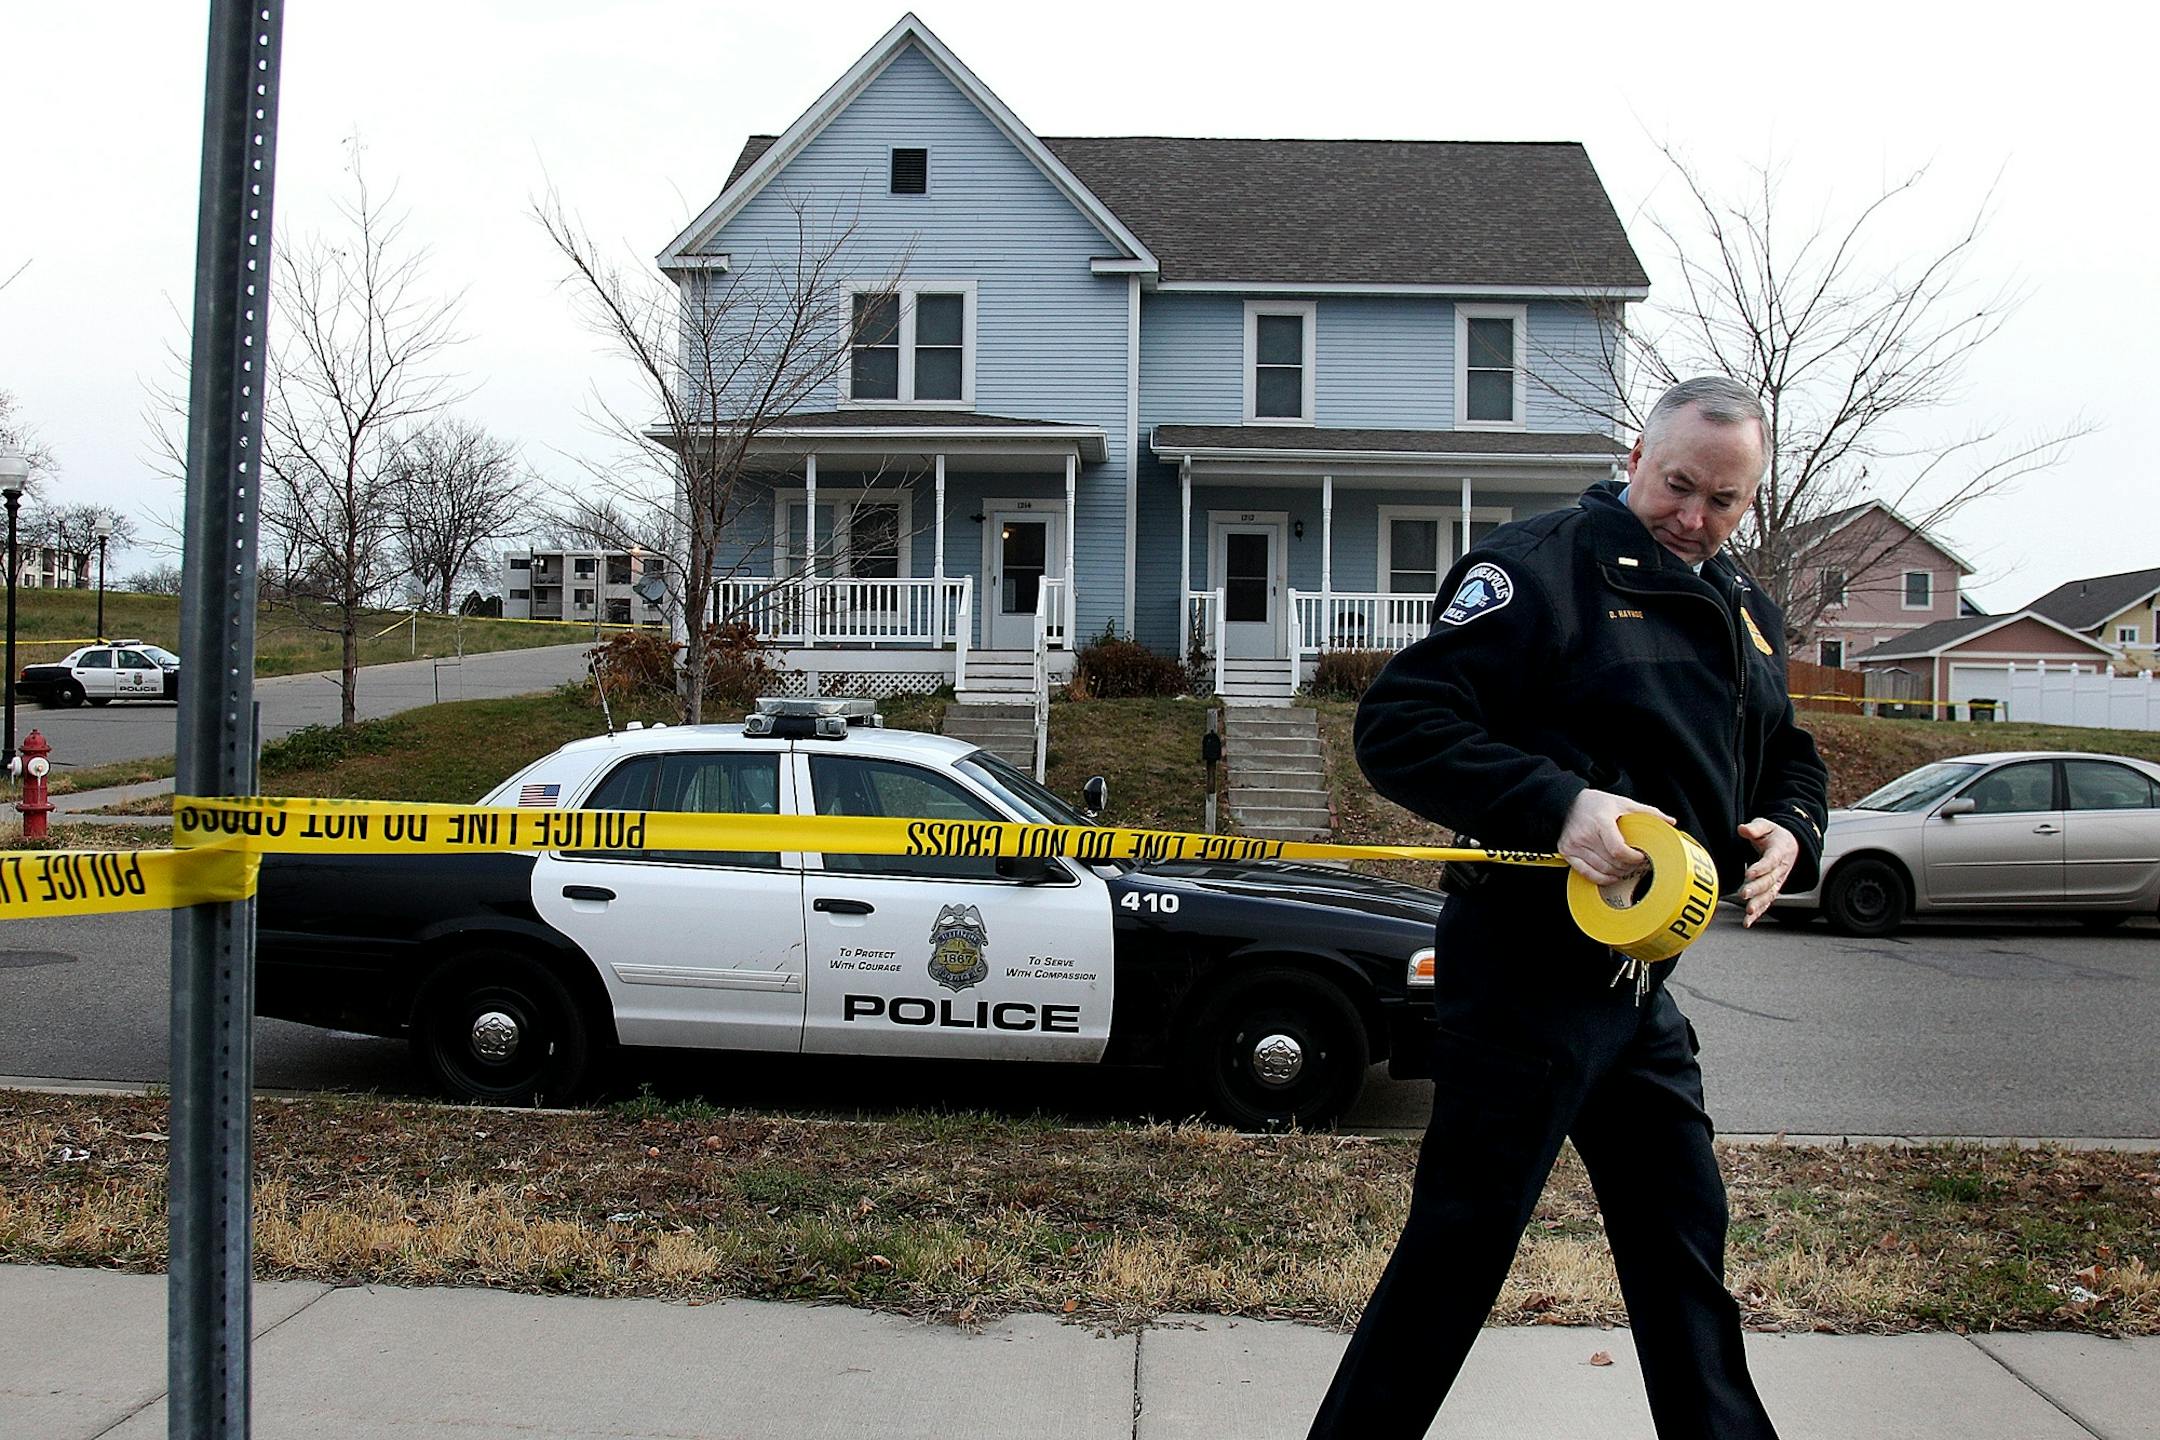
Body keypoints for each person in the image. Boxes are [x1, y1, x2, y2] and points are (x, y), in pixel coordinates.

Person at [1308, 376, 1829, 1440]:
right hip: (1522, 973)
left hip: (1642, 992)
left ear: (1748, 504)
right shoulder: (1536, 569)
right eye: (1679, 486)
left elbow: (1789, 755)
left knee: (1685, 1245)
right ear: (1637, 454)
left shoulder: (1745, 612)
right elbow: (1401, 726)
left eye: (1723, 503)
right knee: (1460, 1248)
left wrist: (1791, 827)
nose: (1695, 518)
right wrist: (1557, 804)